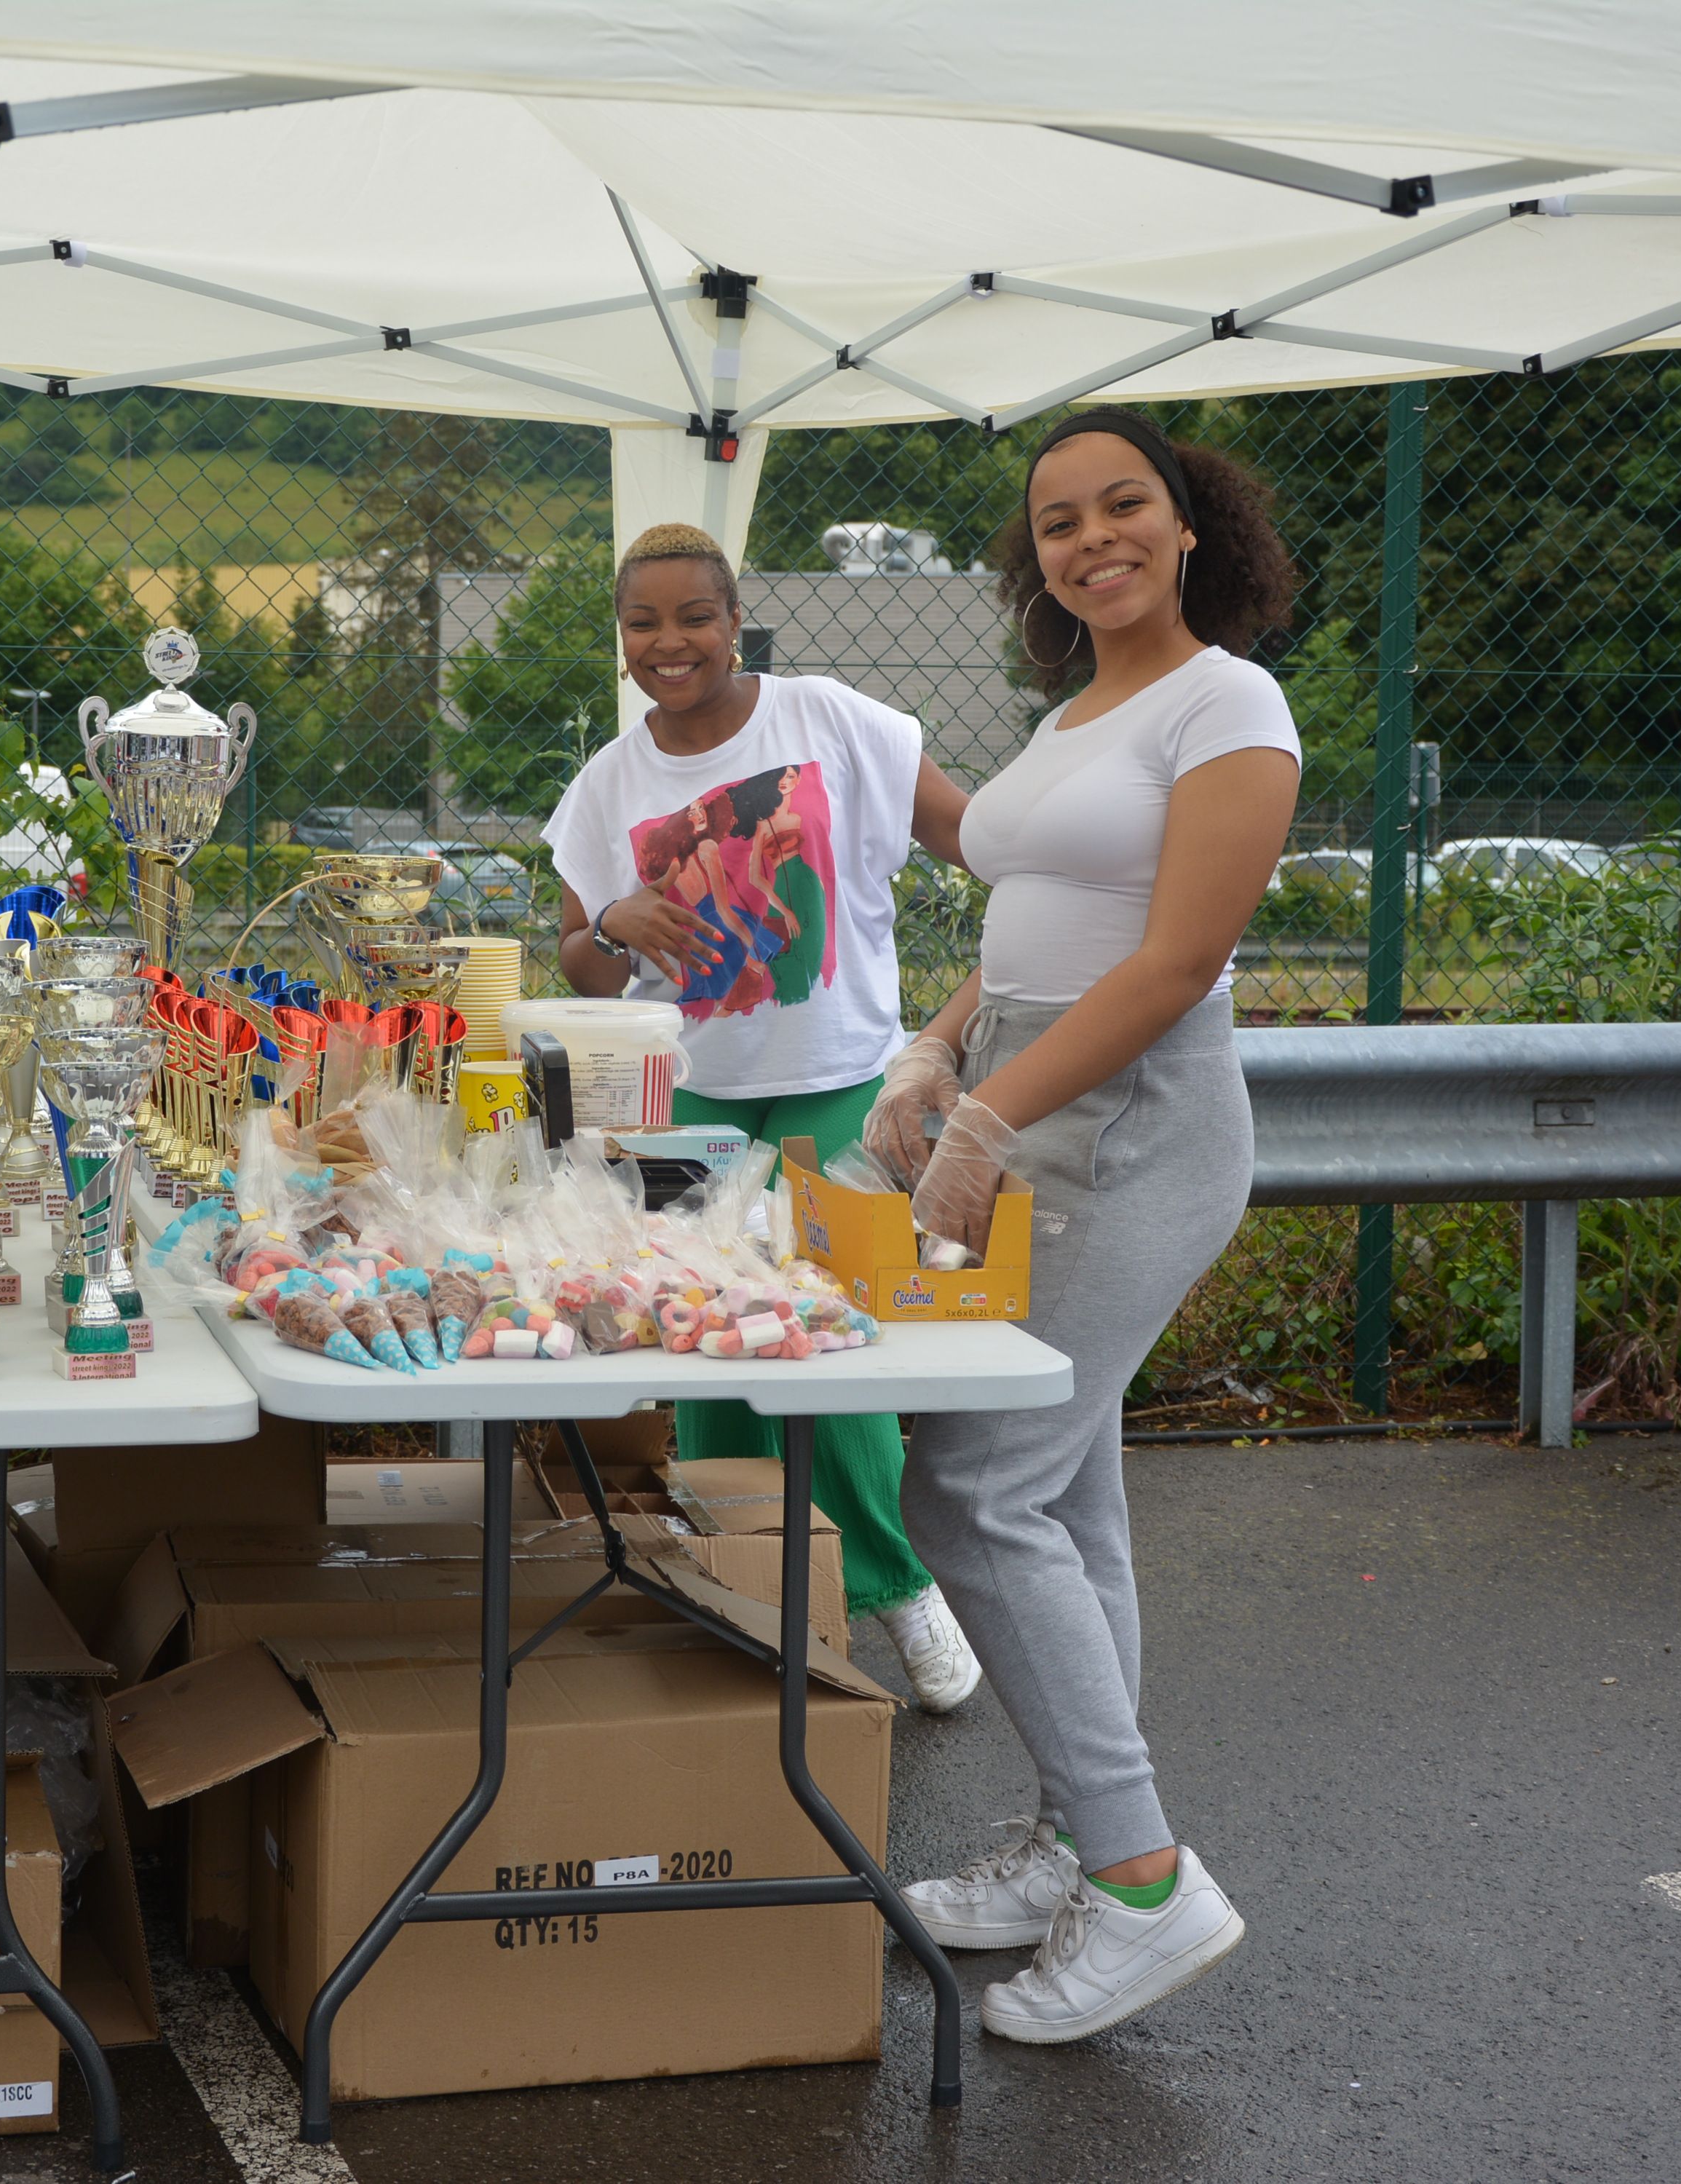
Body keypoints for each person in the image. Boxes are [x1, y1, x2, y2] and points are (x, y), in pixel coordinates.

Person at [871, 411, 1300, 2044]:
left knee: (972, 1486)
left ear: (1190, 527)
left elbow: (1173, 961)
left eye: (1125, 506)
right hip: (1029, 1095)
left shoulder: (1227, 703)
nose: (1091, 538)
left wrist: (990, 1115)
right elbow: (1035, 922)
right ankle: (1072, 1842)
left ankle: (1140, 1876)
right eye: (1058, 521)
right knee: (1066, 1489)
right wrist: (935, 1049)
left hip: (1132, 1126)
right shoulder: (1070, 717)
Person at [544, 521, 986, 1712]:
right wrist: (613, 924)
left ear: (736, 622)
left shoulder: (830, 720)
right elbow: (583, 964)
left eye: (695, 616)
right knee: (708, 1353)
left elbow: (973, 838)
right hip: (688, 1099)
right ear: (622, 637)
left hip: (840, 1079)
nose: (670, 642)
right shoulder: (608, 783)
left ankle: (900, 1591)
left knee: (825, 1345)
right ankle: (744, 1591)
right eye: (643, 623)